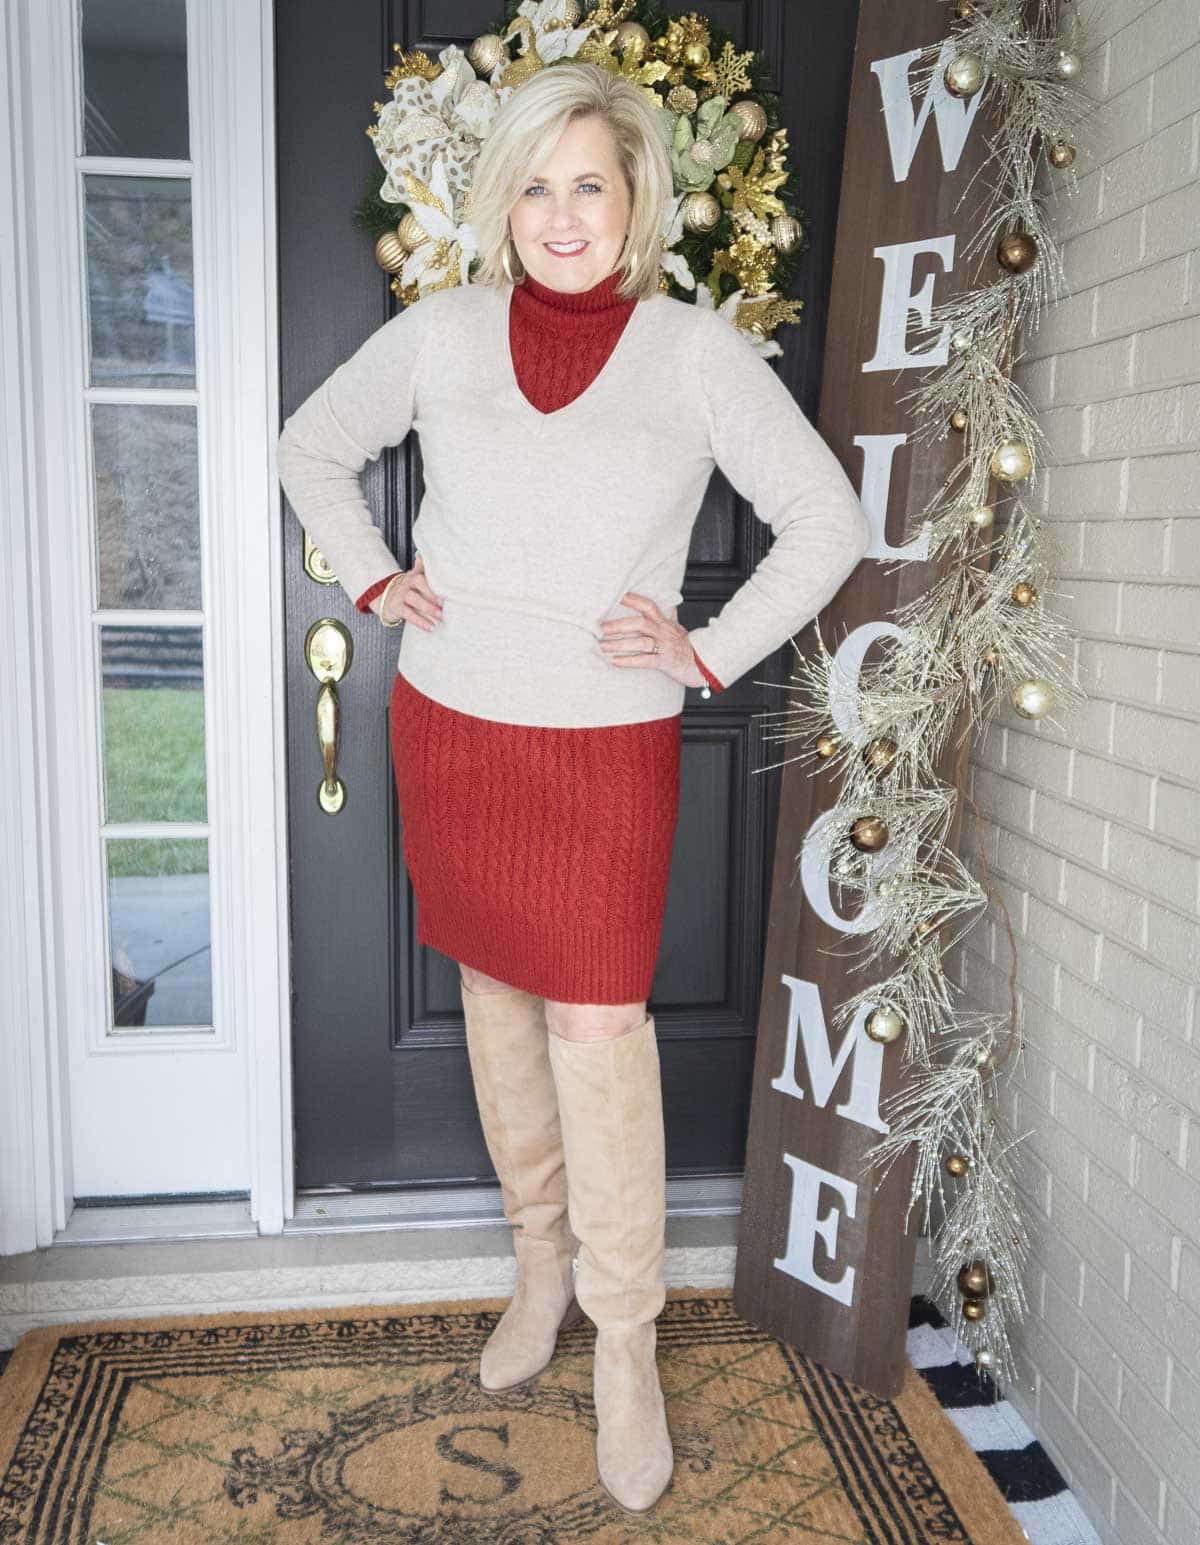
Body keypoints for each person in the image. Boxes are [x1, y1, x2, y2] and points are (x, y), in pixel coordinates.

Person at [275, 60, 870, 1517]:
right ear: (502, 202)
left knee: (599, 1031)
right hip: (456, 726)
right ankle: (538, 1269)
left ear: (634, 198)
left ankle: (626, 1340)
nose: (560, 213)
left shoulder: (695, 354)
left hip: (605, 742)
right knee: (495, 1004)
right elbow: (311, 447)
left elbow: (826, 518)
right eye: (535, 185)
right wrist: (376, 576)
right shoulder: (442, 333)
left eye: (588, 184)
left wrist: (706, 649)